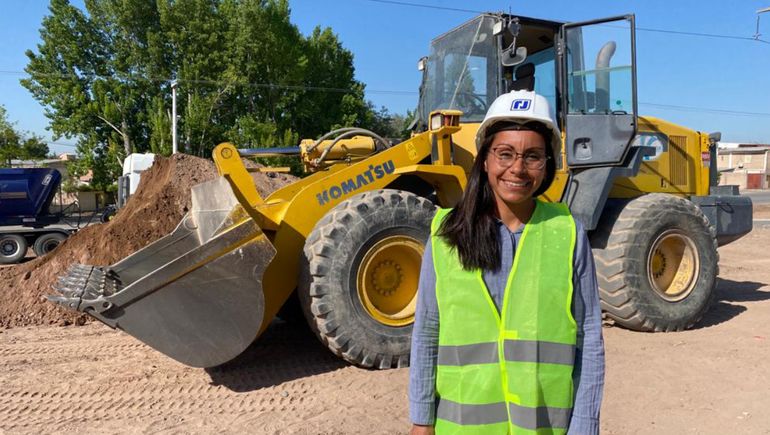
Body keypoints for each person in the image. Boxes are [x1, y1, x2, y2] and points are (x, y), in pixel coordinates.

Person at [408, 90, 605, 435]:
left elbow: (589, 338)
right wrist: (422, 420)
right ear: (485, 159)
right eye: (505, 154)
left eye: (533, 156)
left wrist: (585, 426)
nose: (518, 168)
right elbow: (427, 332)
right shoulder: (447, 233)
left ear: (547, 164)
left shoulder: (567, 232)